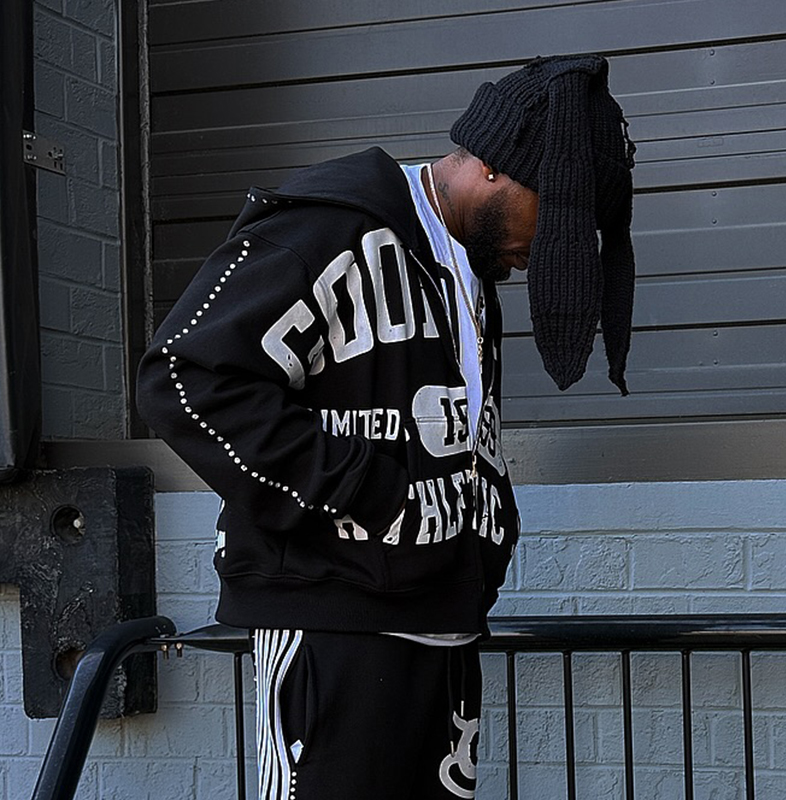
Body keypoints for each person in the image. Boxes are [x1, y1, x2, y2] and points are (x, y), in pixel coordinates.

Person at [137, 54, 636, 800]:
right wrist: (364, 490)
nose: (547, 249)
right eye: (555, 217)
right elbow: (184, 376)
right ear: (494, 166)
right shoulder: (331, 229)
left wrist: (489, 528)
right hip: (335, 631)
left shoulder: (467, 268)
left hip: (445, 633)